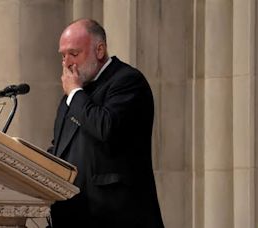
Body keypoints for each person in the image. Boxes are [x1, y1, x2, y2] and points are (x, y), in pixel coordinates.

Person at [47, 18, 164, 228]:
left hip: (116, 217)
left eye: (73, 54)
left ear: (99, 50)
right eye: (63, 56)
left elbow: (105, 127)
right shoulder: (73, 95)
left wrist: (74, 92)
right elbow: (59, 150)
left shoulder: (127, 81)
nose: (66, 63)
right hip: (73, 214)